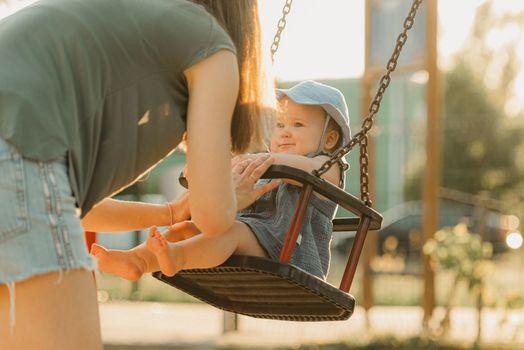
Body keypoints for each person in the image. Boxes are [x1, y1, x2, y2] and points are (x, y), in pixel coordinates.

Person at [0, 1, 277, 348]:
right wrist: (229, 197)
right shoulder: (209, 40)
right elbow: (212, 217)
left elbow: (75, 206)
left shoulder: (117, 25)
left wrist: (170, 214)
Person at [92, 80, 352, 282]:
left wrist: (256, 160)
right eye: (279, 124)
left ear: (329, 140)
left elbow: (303, 168)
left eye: (298, 125)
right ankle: (137, 261)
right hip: (255, 239)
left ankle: (177, 256)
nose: (284, 132)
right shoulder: (265, 162)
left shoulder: (327, 166)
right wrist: (214, 167)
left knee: (229, 232)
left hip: (291, 254)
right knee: (189, 229)